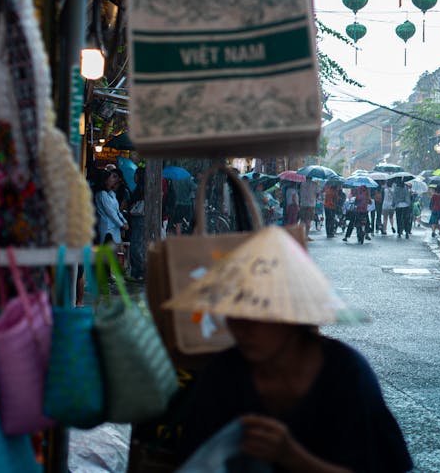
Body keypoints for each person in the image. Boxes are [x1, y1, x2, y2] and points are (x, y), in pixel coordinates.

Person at [168, 226, 412, 472]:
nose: (241, 328)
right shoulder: (223, 372)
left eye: (257, 316)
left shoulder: (347, 373)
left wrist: (291, 455)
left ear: (293, 319)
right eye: (233, 314)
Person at [95, 168, 129, 246]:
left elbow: (117, 211)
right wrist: (122, 224)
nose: (114, 180)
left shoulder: (111, 193)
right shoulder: (102, 194)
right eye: (112, 178)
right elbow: (111, 213)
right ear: (105, 181)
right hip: (107, 227)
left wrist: (124, 221)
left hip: (115, 227)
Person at [127, 168, 147, 281]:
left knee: (136, 247)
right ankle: (136, 272)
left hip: (139, 219)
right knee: (136, 246)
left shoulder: (141, 190)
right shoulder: (138, 189)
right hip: (137, 219)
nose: (134, 177)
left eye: (136, 174)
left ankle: (140, 270)